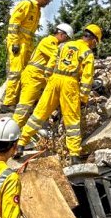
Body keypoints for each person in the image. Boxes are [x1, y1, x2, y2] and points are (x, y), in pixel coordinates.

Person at [17, 24, 102, 165]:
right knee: (72, 121)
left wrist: (50, 79)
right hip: (70, 84)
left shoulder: (64, 45)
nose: (94, 45)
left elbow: (50, 65)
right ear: (93, 40)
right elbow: (87, 78)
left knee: (39, 114)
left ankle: (21, 143)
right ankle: (74, 155)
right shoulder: (87, 53)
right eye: (95, 42)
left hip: (54, 80)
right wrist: (83, 98)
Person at [3, 0, 56, 108]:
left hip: (27, 44)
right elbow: (14, 24)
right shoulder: (27, 4)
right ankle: (8, 103)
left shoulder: (37, 11)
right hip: (18, 43)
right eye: (47, 0)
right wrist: (15, 42)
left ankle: (22, 99)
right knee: (15, 72)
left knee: (26, 72)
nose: (47, 3)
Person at [12, 23, 74, 129]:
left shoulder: (53, 43)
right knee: (24, 107)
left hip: (39, 79)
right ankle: (10, 135)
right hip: (33, 77)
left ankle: (22, 133)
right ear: (61, 34)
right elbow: (59, 57)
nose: (66, 41)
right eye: (67, 38)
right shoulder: (49, 41)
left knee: (36, 108)